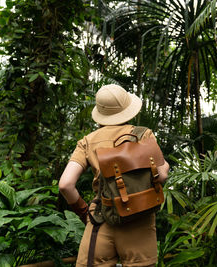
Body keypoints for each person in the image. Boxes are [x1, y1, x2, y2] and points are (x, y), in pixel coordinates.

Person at [59, 84, 170, 267]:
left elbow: (65, 184)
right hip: (139, 218)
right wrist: (165, 166)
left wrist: (85, 213)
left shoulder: (87, 141)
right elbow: (162, 176)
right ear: (128, 109)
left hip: (101, 219)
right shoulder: (143, 135)